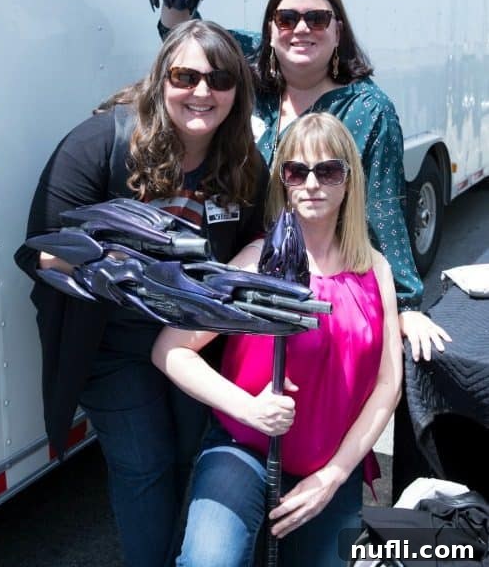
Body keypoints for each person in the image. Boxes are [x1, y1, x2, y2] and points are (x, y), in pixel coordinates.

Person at [14, 19, 270, 567]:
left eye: (220, 78)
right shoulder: (100, 143)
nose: (202, 91)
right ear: (162, 79)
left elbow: (260, 236)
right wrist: (134, 263)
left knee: (185, 454)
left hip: (192, 341)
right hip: (109, 341)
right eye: (186, 75)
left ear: (237, 90)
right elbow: (42, 253)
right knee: (144, 462)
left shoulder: (243, 159)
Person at [158, 0, 451, 362]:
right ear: (271, 30)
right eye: (287, 18)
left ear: (337, 31)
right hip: (231, 276)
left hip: (306, 295)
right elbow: (192, 48)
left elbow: (382, 212)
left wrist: (406, 306)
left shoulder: (367, 109)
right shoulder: (251, 82)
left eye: (317, 18)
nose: (301, 29)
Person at [152, 111, 403, 567]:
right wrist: (248, 407)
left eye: (328, 170)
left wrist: (334, 476)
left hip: (332, 463)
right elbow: (170, 349)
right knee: (209, 561)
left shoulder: (375, 270)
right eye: (297, 170)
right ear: (283, 180)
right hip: (244, 448)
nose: (312, 183)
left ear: (349, 181)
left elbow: (388, 385)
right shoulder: (256, 264)